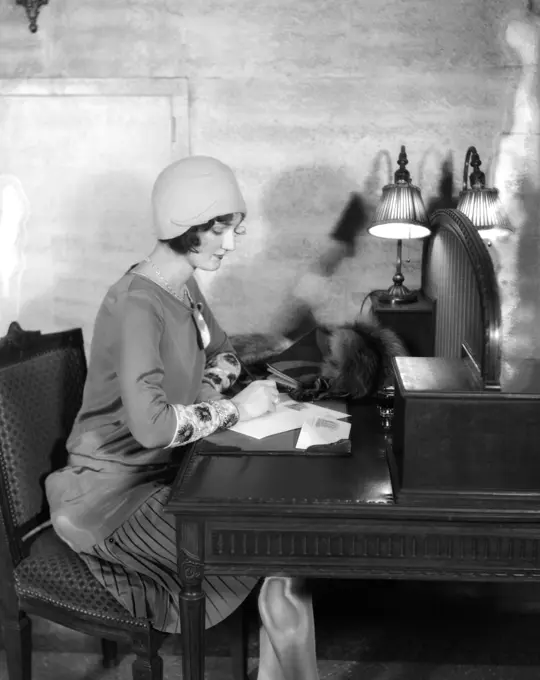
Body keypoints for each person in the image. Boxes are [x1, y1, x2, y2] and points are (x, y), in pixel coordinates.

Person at [45, 155, 280, 633]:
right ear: (184, 224)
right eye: (219, 230)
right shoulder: (137, 303)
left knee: (269, 525)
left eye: (234, 229)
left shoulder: (183, 284)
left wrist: (203, 395)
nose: (230, 244)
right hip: (109, 495)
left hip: (168, 470)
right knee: (260, 543)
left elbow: (227, 355)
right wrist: (233, 409)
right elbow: (152, 428)